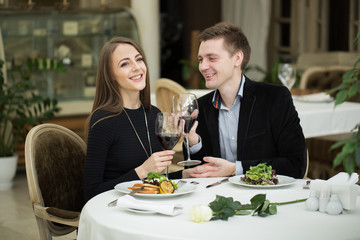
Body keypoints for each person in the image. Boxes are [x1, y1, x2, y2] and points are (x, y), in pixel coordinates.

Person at [182, 22, 307, 179]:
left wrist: (236, 169)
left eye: (211, 58)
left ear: (237, 58)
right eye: (201, 59)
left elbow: (295, 165)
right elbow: (199, 172)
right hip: (215, 198)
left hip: (265, 198)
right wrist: (194, 142)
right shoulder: (199, 107)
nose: (203, 66)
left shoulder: (275, 98)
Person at [83, 37, 183, 202]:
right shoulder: (103, 122)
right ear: (110, 75)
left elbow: (154, 181)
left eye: (139, 59)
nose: (137, 67)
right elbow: (91, 193)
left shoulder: (153, 114)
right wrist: (142, 170)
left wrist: (184, 174)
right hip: (117, 212)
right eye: (125, 64)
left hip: (150, 206)